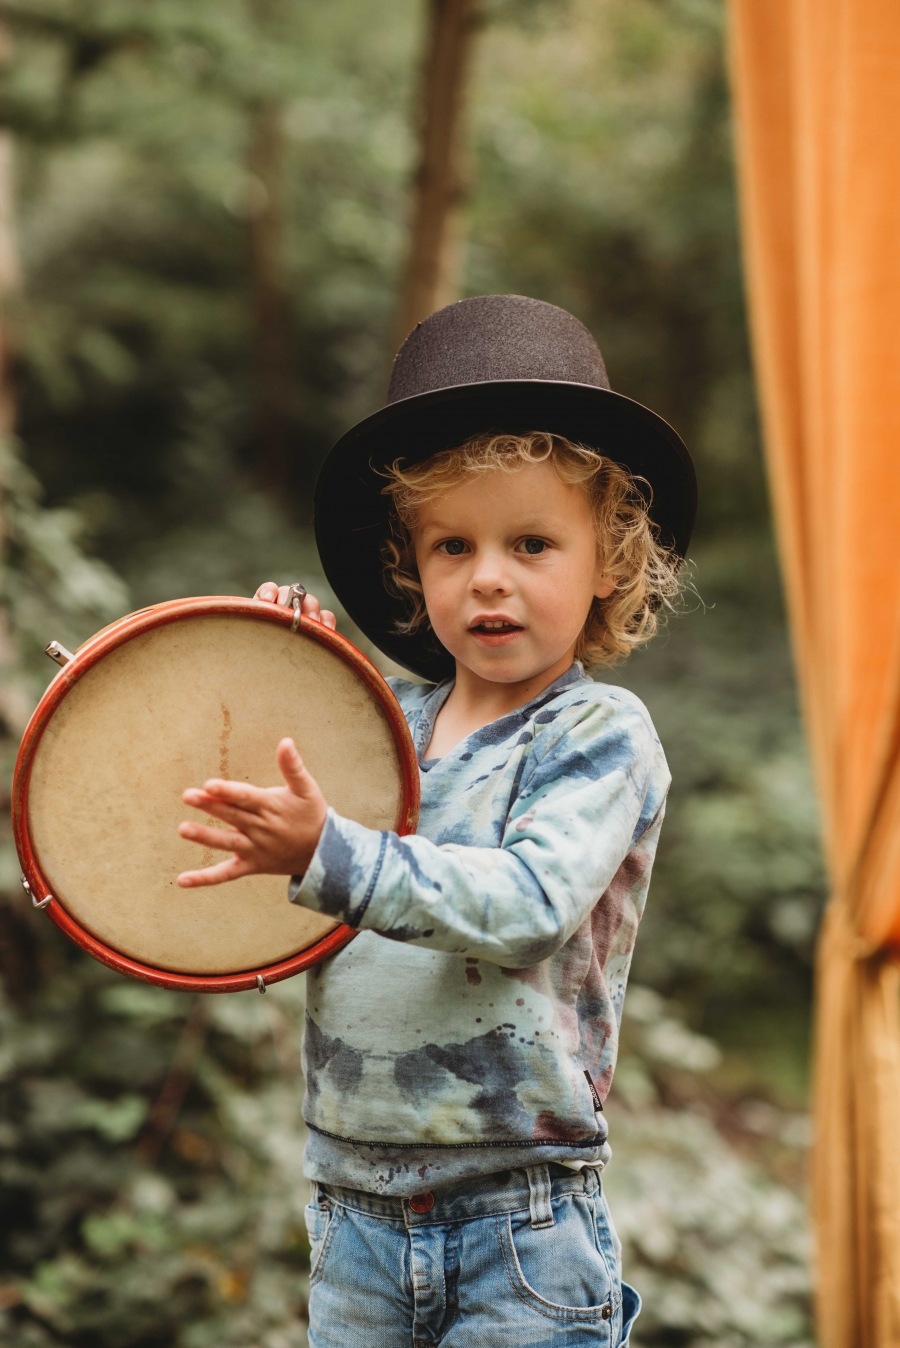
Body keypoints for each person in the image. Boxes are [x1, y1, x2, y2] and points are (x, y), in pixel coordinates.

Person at [176, 295, 697, 1347]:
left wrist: (330, 851)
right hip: (352, 1212)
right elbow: (294, 844)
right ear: (413, 566)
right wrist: (292, 675)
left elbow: (525, 906)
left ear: (610, 559)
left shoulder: (597, 734)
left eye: (533, 541)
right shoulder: (386, 725)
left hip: (521, 1223)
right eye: (453, 545)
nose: (489, 576)